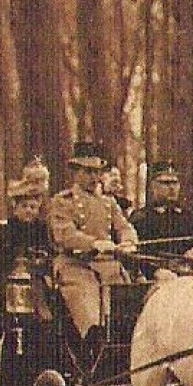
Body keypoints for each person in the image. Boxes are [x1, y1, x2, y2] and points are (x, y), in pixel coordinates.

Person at [46, 141, 137, 340]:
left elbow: (123, 226)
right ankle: (93, 346)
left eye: (97, 172)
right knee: (89, 311)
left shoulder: (108, 202)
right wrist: (93, 243)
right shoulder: (63, 201)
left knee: (127, 310)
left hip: (109, 267)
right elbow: (65, 234)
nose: (94, 177)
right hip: (75, 267)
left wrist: (128, 241)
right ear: (75, 172)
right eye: (88, 172)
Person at [129, 159, 193, 279]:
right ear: (153, 186)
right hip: (155, 281)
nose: (172, 188)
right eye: (165, 183)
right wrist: (155, 272)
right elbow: (133, 255)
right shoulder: (141, 218)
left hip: (189, 278)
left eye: (175, 183)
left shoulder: (188, 217)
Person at [0, 176, 53, 280]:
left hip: (39, 278)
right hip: (10, 278)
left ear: (38, 209)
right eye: (24, 206)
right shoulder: (5, 231)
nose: (28, 210)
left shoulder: (44, 230)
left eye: (32, 207)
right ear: (15, 209)